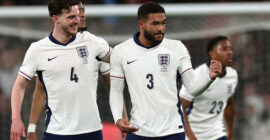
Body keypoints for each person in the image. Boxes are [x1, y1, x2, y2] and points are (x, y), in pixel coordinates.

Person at [109, 2, 222, 140]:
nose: (160, 28)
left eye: (163, 23)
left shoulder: (176, 48)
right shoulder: (121, 51)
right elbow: (115, 90)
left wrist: (208, 78)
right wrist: (117, 118)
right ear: (141, 24)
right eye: (155, 24)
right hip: (138, 130)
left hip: (172, 131)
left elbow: (192, 88)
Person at [10, 0, 111, 140]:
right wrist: (16, 118)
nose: (77, 21)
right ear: (55, 19)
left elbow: (119, 61)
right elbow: (20, 85)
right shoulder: (38, 49)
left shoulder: (92, 42)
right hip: (57, 133)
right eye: (71, 17)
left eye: (78, 16)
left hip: (92, 131)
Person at [180, 36, 238, 140]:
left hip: (217, 135)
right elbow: (181, 108)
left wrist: (229, 132)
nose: (230, 52)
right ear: (212, 54)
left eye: (231, 49)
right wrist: (192, 138)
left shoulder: (232, 75)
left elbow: (229, 102)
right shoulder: (196, 76)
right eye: (224, 49)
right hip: (194, 135)